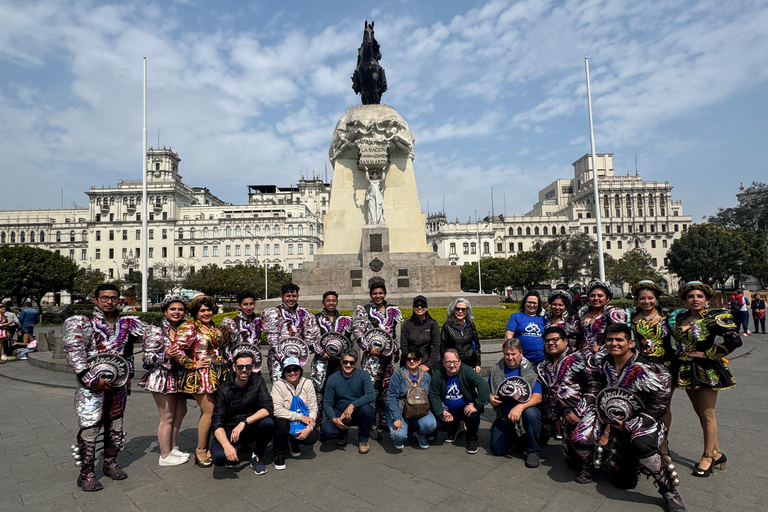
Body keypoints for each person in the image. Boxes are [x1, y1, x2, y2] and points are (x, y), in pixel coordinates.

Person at [62, 283, 147, 492]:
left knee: (115, 425)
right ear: (95, 300)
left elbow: (151, 337)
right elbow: (74, 352)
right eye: (105, 297)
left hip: (118, 385)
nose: (110, 301)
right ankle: (86, 473)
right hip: (91, 386)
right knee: (90, 428)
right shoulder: (82, 323)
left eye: (114, 297)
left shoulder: (128, 323)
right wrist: (90, 378)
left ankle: (110, 463)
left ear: (120, 300)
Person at [595, 323, 686, 512]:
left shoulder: (647, 368)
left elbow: (660, 404)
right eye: (610, 340)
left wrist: (630, 424)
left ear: (630, 343)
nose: (614, 343)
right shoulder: (604, 363)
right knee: (622, 482)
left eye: (619, 340)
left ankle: (668, 489)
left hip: (643, 423)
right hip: (612, 422)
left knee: (641, 446)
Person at [669, 281, 742, 477]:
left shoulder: (714, 318)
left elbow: (735, 340)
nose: (695, 300)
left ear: (707, 300)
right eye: (691, 296)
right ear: (685, 300)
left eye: (699, 296)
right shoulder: (680, 318)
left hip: (706, 371)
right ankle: (717, 453)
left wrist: (708, 354)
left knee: (708, 414)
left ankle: (708, 456)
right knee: (700, 413)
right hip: (685, 370)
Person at [170, 295, 229, 468]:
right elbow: (176, 349)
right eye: (202, 310)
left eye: (209, 309)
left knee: (217, 410)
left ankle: (211, 445)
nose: (206, 313)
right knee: (209, 411)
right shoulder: (188, 327)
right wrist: (191, 363)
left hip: (218, 374)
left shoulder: (211, 326)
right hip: (200, 375)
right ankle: (201, 449)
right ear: (195, 313)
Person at [537, 326, 600, 482]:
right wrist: (554, 419)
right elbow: (549, 396)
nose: (551, 343)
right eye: (547, 341)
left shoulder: (579, 358)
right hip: (565, 414)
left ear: (565, 341)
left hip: (586, 411)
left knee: (581, 442)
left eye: (555, 340)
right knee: (571, 461)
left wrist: (579, 412)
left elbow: (593, 385)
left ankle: (588, 468)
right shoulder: (543, 366)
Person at [628, 280, 677, 464]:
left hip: (665, 368)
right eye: (642, 298)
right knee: (641, 405)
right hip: (641, 367)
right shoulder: (632, 319)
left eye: (650, 298)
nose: (646, 301)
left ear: (656, 299)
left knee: (663, 408)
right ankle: (644, 441)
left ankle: (663, 443)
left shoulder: (668, 318)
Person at [139, 295, 190, 466]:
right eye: (173, 309)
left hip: (180, 377)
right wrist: (165, 355)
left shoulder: (186, 330)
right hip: (163, 377)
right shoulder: (155, 331)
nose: (177, 312)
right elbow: (147, 358)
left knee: (180, 411)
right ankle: (165, 454)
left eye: (180, 309)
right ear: (165, 312)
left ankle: (172, 446)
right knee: (167, 416)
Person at [210, 350, 274, 475]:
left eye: (248, 366)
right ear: (234, 367)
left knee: (268, 423)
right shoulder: (224, 389)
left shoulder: (258, 381)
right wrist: (226, 445)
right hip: (230, 427)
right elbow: (216, 422)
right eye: (240, 367)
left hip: (250, 425)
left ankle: (256, 456)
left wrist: (244, 422)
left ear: (253, 367)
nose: (244, 370)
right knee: (219, 458)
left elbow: (268, 408)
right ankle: (236, 447)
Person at [352, 281, 403, 436]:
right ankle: (371, 424)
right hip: (372, 359)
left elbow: (394, 333)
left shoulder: (392, 310)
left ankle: (383, 420)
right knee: (371, 390)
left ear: (385, 294)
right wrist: (368, 348)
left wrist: (395, 350)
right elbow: (358, 332)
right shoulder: (364, 310)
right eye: (375, 293)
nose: (378, 296)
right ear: (370, 295)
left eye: (381, 293)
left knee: (386, 390)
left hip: (388, 359)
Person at [488, 338, 543, 467]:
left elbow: (537, 397)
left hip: (525, 412)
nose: (510, 357)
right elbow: (487, 389)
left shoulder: (530, 370)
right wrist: (490, 397)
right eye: (507, 354)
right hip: (505, 416)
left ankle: (533, 450)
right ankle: (517, 436)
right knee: (497, 449)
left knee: (532, 413)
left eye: (513, 354)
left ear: (521, 353)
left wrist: (520, 407)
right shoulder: (497, 369)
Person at [428, 349, 490, 454]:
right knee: (432, 421)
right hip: (447, 409)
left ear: (459, 362)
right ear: (443, 362)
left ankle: (471, 439)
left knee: (473, 415)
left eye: (454, 362)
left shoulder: (467, 371)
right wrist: (441, 411)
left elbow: (483, 386)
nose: (452, 365)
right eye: (448, 362)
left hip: (464, 408)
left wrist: (477, 405)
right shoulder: (438, 374)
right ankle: (453, 428)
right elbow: (433, 395)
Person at [321, 348, 377, 454]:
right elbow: (327, 402)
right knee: (327, 431)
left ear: (355, 363)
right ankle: (342, 432)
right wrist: (333, 419)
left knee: (367, 409)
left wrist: (352, 405)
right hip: (340, 412)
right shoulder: (333, 378)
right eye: (345, 362)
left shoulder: (363, 375)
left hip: (357, 411)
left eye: (351, 362)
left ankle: (364, 439)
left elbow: (371, 395)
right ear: (341, 361)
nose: (348, 365)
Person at [263, 283, 321, 383]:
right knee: (279, 388)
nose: (291, 299)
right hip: (278, 359)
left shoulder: (304, 313)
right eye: (288, 296)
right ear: (281, 296)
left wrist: (320, 351)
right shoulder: (274, 312)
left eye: (294, 296)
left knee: (296, 387)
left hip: (297, 359)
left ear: (297, 297)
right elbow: (273, 340)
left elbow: (310, 338)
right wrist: (283, 358)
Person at [312, 291, 353, 430]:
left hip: (339, 363)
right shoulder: (315, 319)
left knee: (339, 392)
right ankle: (317, 425)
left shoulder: (345, 320)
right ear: (323, 302)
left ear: (337, 302)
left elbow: (348, 342)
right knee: (319, 393)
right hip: (321, 363)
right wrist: (321, 352)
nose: (331, 303)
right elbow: (310, 340)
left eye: (333, 300)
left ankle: (338, 423)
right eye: (328, 300)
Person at [271, 356, 319, 470]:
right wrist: (300, 417)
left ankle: (294, 442)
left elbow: (313, 408)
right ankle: (278, 452)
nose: (292, 373)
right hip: (286, 419)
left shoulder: (307, 383)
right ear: (284, 372)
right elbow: (276, 410)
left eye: (295, 369)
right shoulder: (278, 385)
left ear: (300, 370)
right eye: (288, 370)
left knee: (312, 437)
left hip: (303, 421)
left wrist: (310, 427)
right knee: (281, 423)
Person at [386, 348, 436, 450]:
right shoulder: (398, 375)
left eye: (415, 359)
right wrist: (396, 418)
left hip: (419, 410)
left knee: (431, 424)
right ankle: (400, 437)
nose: (412, 361)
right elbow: (391, 396)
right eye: (409, 359)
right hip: (401, 410)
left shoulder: (426, 376)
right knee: (398, 435)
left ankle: (420, 434)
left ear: (420, 360)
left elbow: (432, 395)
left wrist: (443, 410)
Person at [573, 280, 627, 365]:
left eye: (600, 296)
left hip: (605, 356)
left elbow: (620, 336)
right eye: (592, 296)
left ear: (607, 299)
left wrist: (602, 348)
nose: (596, 298)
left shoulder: (613, 313)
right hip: (582, 356)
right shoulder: (583, 313)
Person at [400, 295, 441, 372]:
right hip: (409, 363)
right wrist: (412, 361)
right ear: (413, 307)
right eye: (416, 305)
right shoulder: (407, 324)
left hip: (426, 364)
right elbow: (404, 346)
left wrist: (428, 365)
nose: (419, 308)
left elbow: (436, 346)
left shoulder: (432, 323)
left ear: (427, 308)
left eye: (422, 305)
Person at [440, 298, 481, 373]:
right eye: (457, 309)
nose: (460, 311)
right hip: (453, 365)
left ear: (467, 311)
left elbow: (476, 346)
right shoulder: (447, 326)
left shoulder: (471, 325)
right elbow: (443, 347)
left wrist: (478, 363)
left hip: (470, 365)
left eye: (463, 309)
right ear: (453, 310)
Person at [505, 291, 546, 364]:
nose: (532, 305)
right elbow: (509, 336)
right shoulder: (516, 316)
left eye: (534, 303)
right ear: (524, 303)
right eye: (529, 302)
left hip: (540, 358)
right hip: (521, 359)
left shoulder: (543, 319)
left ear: (538, 305)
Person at [221, 291, 262, 356]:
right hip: (240, 360)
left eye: (251, 304)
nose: (249, 307)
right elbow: (227, 346)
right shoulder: (234, 322)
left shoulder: (259, 320)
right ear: (240, 306)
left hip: (256, 359)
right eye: (245, 304)